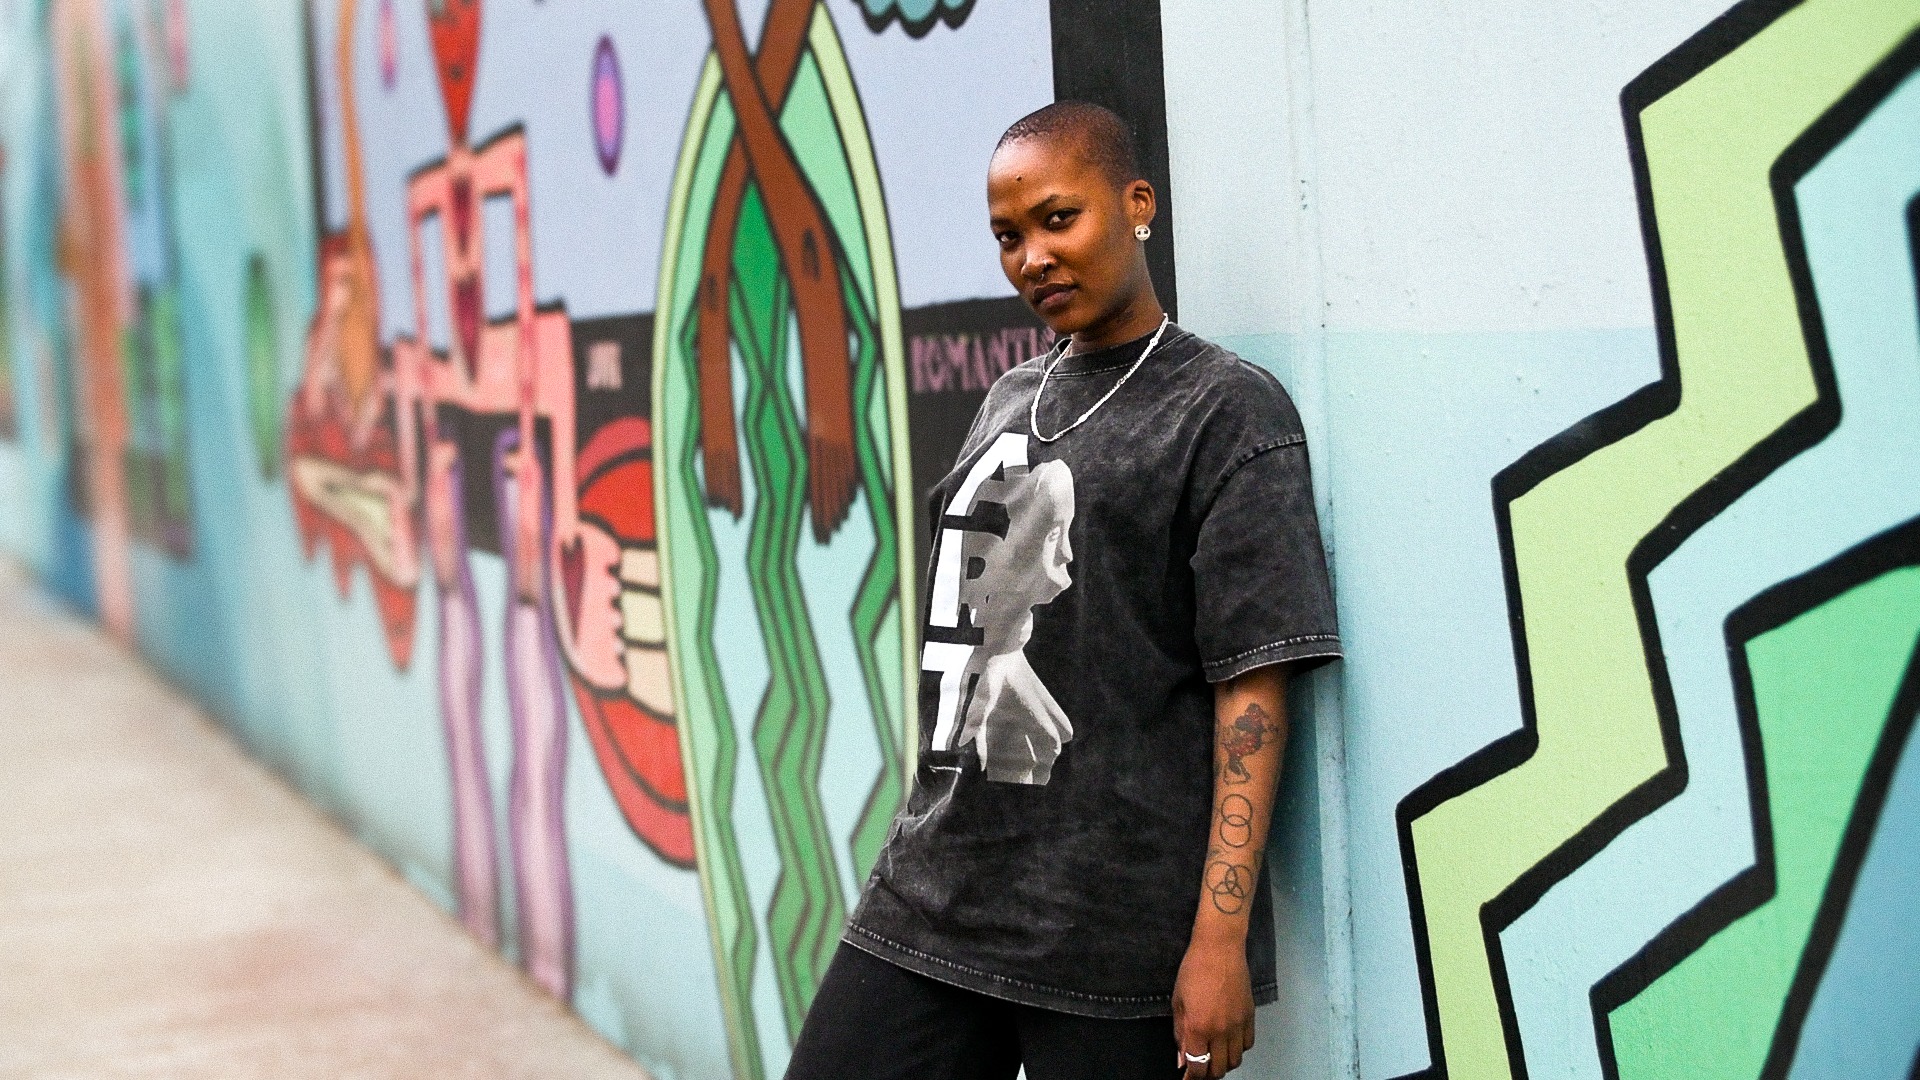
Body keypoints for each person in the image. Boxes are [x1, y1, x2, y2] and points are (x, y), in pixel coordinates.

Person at [784, 101, 1341, 1080]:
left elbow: (1253, 690)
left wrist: (1221, 939)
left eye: (1057, 219)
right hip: (937, 891)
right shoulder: (1009, 395)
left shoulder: (1227, 410)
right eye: (1008, 236)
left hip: (1106, 928)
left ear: (1136, 205)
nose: (1032, 257)